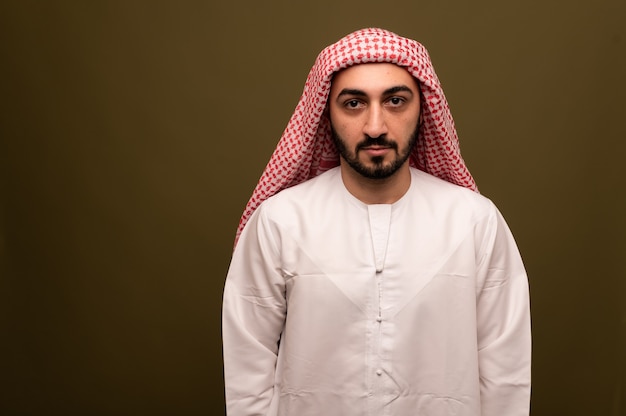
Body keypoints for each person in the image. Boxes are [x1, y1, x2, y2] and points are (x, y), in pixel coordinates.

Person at [222, 28, 531, 416]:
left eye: (395, 101)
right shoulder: (280, 222)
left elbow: (505, 375)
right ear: (326, 114)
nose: (375, 126)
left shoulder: (474, 222)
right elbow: (247, 371)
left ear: (423, 108)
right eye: (353, 103)